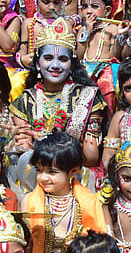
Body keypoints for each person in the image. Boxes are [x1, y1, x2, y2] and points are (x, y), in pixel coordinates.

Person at [22, 132, 108, 253]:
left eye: (52, 172)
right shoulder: (29, 202)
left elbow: (99, 246)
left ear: (73, 171)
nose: (43, 178)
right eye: (39, 171)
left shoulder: (89, 202)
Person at [10, 17, 105, 168]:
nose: (55, 65)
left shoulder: (87, 98)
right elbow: (25, 151)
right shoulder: (25, 101)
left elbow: (91, 157)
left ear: (72, 65)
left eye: (62, 59)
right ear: (37, 63)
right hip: (37, 174)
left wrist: (46, 150)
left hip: (74, 174)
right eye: (48, 58)